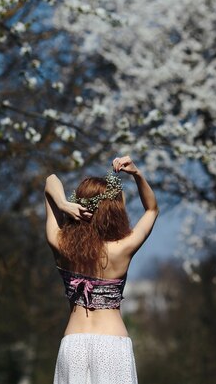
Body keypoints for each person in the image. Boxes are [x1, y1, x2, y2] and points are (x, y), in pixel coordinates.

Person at [44, 155, 159, 384]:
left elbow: (50, 180)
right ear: (112, 212)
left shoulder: (61, 244)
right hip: (112, 345)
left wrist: (63, 204)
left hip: (73, 345)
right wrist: (137, 173)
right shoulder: (121, 250)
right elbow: (152, 210)